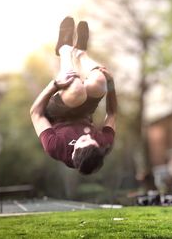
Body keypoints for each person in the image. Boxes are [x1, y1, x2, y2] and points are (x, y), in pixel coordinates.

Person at [30, 17, 117, 175]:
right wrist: (110, 84)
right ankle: (81, 53)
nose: (87, 136)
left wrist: (54, 85)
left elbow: (35, 113)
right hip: (84, 112)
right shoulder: (104, 145)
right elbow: (111, 114)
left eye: (83, 141)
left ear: (73, 152)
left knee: (77, 90)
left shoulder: (56, 147)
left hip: (58, 114)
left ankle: (64, 48)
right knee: (100, 82)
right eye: (92, 139)